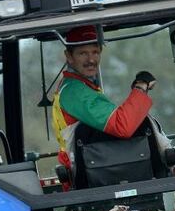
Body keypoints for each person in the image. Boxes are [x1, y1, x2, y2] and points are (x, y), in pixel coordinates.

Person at [52, 25, 157, 182]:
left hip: (97, 170)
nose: (91, 60)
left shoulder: (81, 87)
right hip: (88, 178)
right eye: (83, 53)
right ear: (69, 56)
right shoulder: (75, 92)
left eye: (95, 52)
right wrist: (141, 87)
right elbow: (123, 126)